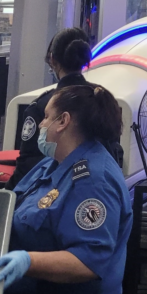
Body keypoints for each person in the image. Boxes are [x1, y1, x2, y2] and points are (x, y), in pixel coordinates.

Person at [0, 85, 133, 294]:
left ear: (63, 121)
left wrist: (29, 262)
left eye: (47, 116)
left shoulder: (94, 181)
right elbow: (13, 202)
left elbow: (88, 261)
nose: (41, 123)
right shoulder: (52, 164)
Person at [9, 28, 92, 190]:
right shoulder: (102, 101)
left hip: (49, 197)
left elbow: (27, 166)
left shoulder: (42, 106)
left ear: (52, 60)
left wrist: (6, 195)